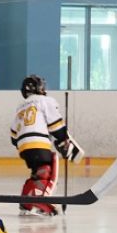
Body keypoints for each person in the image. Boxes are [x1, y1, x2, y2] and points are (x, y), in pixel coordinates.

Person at [8, 74, 83, 216]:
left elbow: (13, 138)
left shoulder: (20, 107)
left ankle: (26, 201)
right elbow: (56, 125)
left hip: (23, 147)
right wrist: (64, 139)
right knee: (48, 167)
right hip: (39, 142)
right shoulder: (46, 101)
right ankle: (40, 200)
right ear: (39, 88)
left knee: (38, 171)